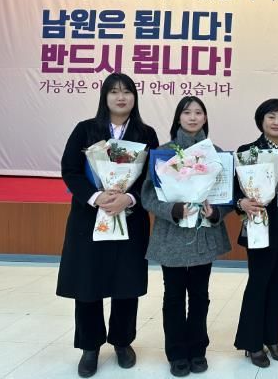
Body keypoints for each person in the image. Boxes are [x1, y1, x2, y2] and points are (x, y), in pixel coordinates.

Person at [56, 73, 159, 378]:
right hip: (89, 218)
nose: (121, 97)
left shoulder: (146, 133)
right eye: (114, 92)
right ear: (105, 97)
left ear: (135, 97)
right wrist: (96, 197)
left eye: (127, 91)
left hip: (130, 217)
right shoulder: (86, 129)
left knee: (126, 282)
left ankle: (122, 342)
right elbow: (70, 170)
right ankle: (90, 347)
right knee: (88, 283)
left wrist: (129, 198)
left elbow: (152, 177)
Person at [141, 96, 232, 377]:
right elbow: (147, 196)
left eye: (198, 112)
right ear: (178, 118)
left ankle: (198, 349)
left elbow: (227, 196)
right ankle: (177, 352)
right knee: (174, 295)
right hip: (172, 234)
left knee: (200, 294)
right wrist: (172, 209)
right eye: (187, 112)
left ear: (205, 118)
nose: (193, 117)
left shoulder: (217, 153)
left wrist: (216, 212)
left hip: (204, 233)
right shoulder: (163, 153)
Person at [233, 99, 278, 367]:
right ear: (261, 120)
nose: (277, 122)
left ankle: (272, 339)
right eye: (271, 116)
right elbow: (236, 190)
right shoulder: (247, 151)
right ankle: (252, 343)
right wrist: (241, 202)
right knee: (258, 282)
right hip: (259, 224)